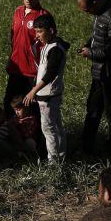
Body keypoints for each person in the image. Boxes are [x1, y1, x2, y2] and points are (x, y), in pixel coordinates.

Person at [77, 0, 111, 158]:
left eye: (86, 10)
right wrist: (87, 45)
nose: (86, 14)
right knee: (92, 109)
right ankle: (86, 147)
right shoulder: (100, 13)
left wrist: (90, 53)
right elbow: (98, 37)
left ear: (95, 3)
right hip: (99, 73)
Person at [24, 14, 69, 162]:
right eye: (36, 31)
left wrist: (33, 90)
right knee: (56, 127)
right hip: (50, 94)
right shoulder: (51, 45)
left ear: (51, 31)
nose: (37, 35)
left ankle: (54, 162)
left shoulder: (55, 49)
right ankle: (61, 156)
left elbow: (50, 74)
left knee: (49, 129)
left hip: (48, 95)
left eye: (40, 31)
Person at [4, 0, 52, 117]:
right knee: (9, 102)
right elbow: (13, 38)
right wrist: (10, 59)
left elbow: (48, 45)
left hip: (32, 71)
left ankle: (35, 136)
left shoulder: (43, 16)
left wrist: (43, 70)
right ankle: (9, 132)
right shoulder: (18, 11)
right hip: (16, 68)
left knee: (31, 107)